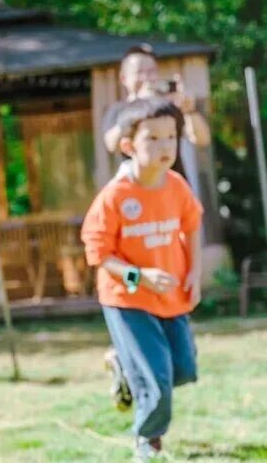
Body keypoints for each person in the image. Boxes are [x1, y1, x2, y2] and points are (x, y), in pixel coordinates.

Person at [81, 97, 202, 461]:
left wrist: (194, 272)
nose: (165, 146)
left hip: (171, 296)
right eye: (153, 138)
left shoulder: (177, 185)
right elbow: (98, 253)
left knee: (184, 369)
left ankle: (123, 364)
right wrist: (139, 276)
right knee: (158, 381)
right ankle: (147, 440)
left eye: (171, 136)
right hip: (127, 299)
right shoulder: (115, 197)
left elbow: (193, 225)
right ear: (129, 146)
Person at [102, 44, 211, 183]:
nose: (147, 77)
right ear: (124, 78)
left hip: (174, 188)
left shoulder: (167, 107)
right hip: (138, 191)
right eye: (139, 71)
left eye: (151, 71)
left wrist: (189, 109)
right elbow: (112, 145)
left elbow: (202, 139)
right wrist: (140, 106)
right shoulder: (118, 110)